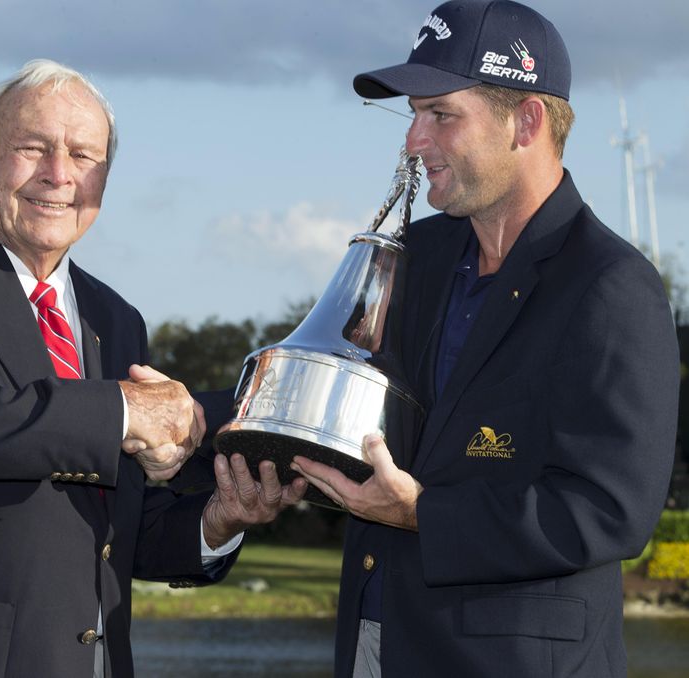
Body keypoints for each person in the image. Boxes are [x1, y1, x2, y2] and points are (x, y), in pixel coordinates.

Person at [0, 59, 305, 678]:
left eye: (84, 155)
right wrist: (126, 409)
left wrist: (219, 521)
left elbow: (116, 529)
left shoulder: (116, 317)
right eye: (33, 147)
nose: (59, 174)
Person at [289, 2, 680, 676]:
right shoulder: (417, 254)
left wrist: (424, 515)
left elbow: (610, 509)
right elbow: (331, 386)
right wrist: (189, 416)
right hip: (374, 644)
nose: (414, 140)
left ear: (526, 122)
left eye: (441, 115)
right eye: (413, 114)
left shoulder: (612, 285)